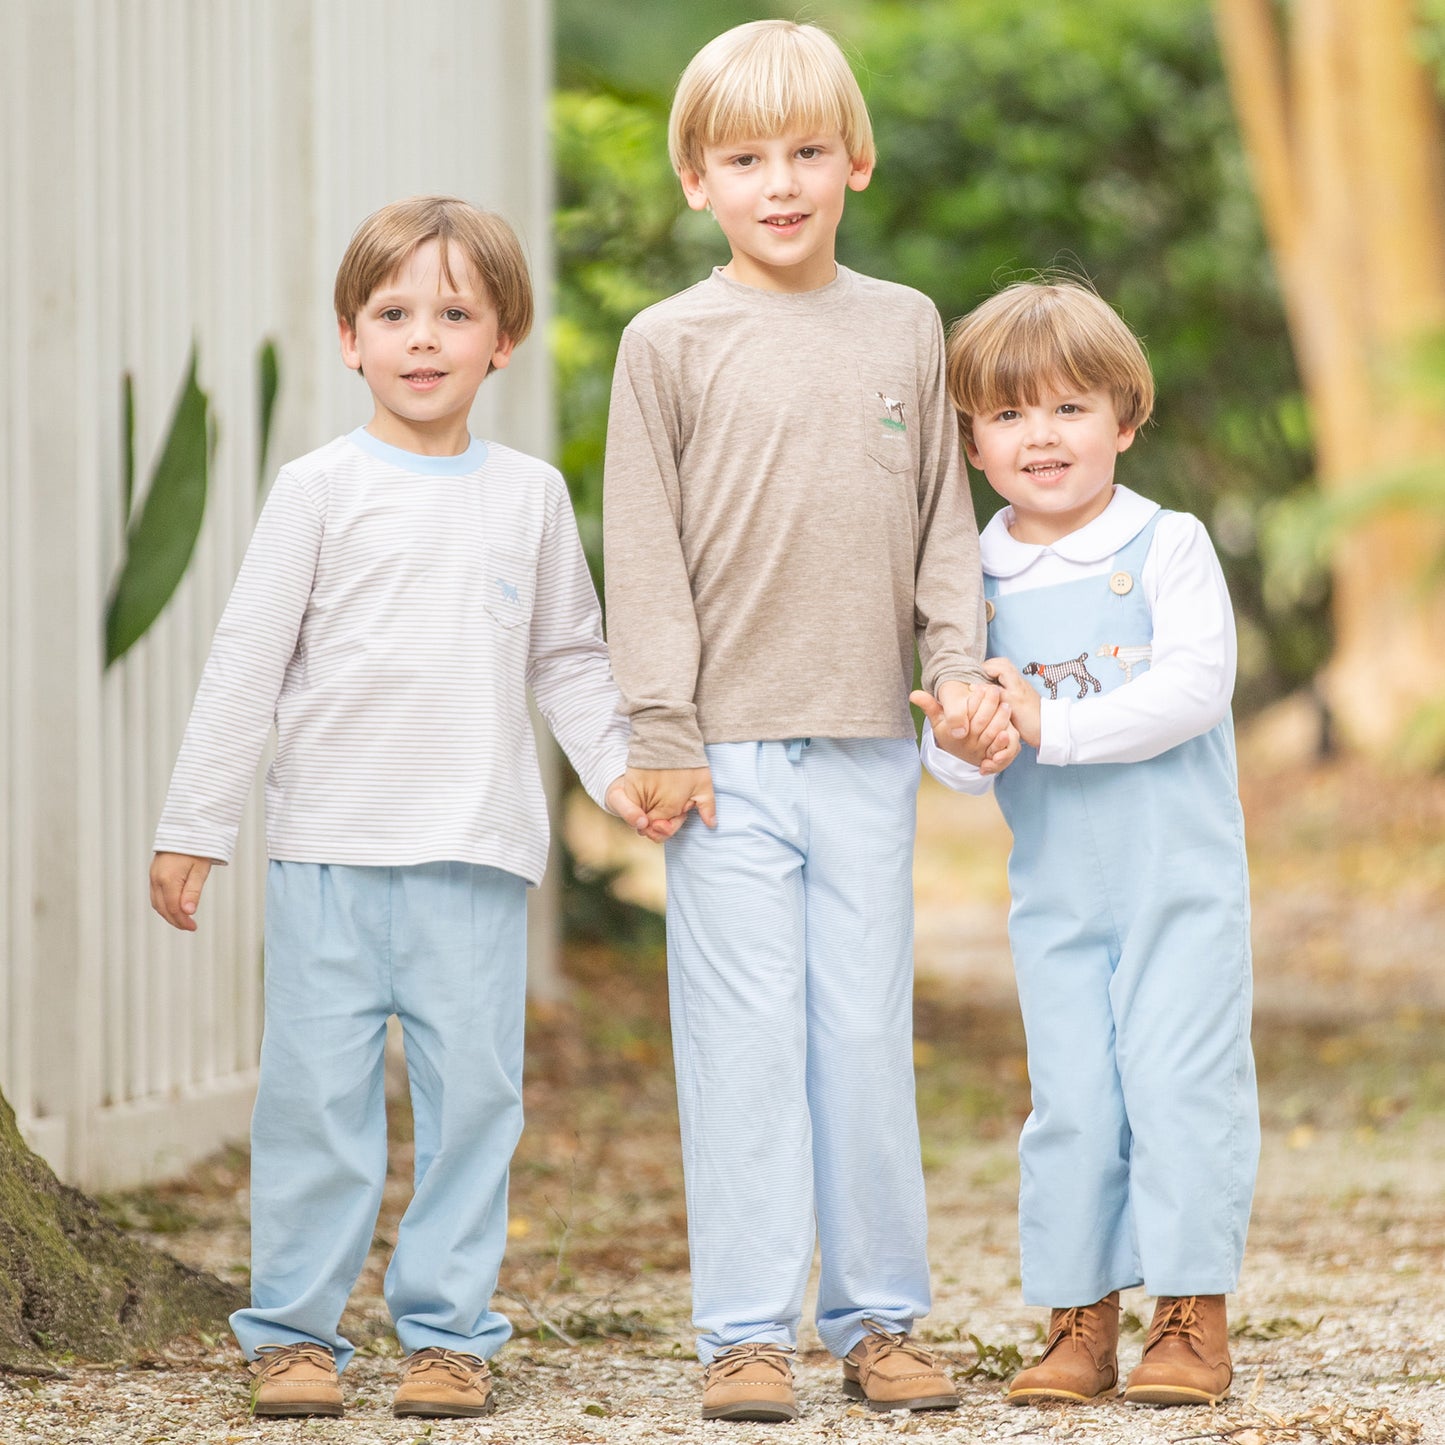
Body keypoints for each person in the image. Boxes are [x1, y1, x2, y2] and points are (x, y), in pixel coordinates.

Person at [150, 195, 665, 1421]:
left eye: (454, 312)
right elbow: (246, 659)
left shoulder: (529, 495)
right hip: (328, 853)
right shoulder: (318, 487)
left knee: (473, 1103)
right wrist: (194, 822)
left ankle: (446, 1332)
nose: (422, 337)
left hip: (473, 857)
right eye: (393, 313)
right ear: (349, 338)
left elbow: (568, 659)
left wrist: (619, 772)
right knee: (315, 1105)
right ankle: (291, 1333)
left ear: (502, 340)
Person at [603, 19, 1017, 1424]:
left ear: (855, 159)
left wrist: (958, 660)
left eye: (802, 152)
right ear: (695, 179)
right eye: (741, 157)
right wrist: (656, 727)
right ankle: (742, 1333)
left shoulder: (906, 323)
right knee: (739, 1043)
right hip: (718, 758)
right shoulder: (666, 341)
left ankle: (881, 1320)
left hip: (865, 746)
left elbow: (938, 527)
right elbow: (642, 548)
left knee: (859, 1033)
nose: (777, 182)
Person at [915, 278, 1259, 1408]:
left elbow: (1193, 690)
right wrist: (971, 734)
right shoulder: (967, 578)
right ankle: (1076, 1314)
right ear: (969, 440)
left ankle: (1188, 1313)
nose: (1040, 436)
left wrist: (1045, 722)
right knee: (1070, 1097)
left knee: (1176, 1084)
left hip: (1177, 884)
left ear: (1124, 416)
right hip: (1056, 893)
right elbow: (956, 755)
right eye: (1007, 414)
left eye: (1068, 408)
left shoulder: (1165, 545)